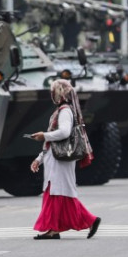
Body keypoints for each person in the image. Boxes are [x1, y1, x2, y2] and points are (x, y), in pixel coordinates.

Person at [29, 78, 102, 240]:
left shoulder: (64, 111)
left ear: (59, 93)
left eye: (53, 91)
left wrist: (44, 135)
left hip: (60, 160)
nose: (51, 95)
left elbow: (64, 132)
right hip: (56, 158)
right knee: (61, 193)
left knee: (56, 192)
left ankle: (54, 229)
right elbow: (52, 142)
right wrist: (39, 159)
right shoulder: (63, 111)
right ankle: (88, 221)